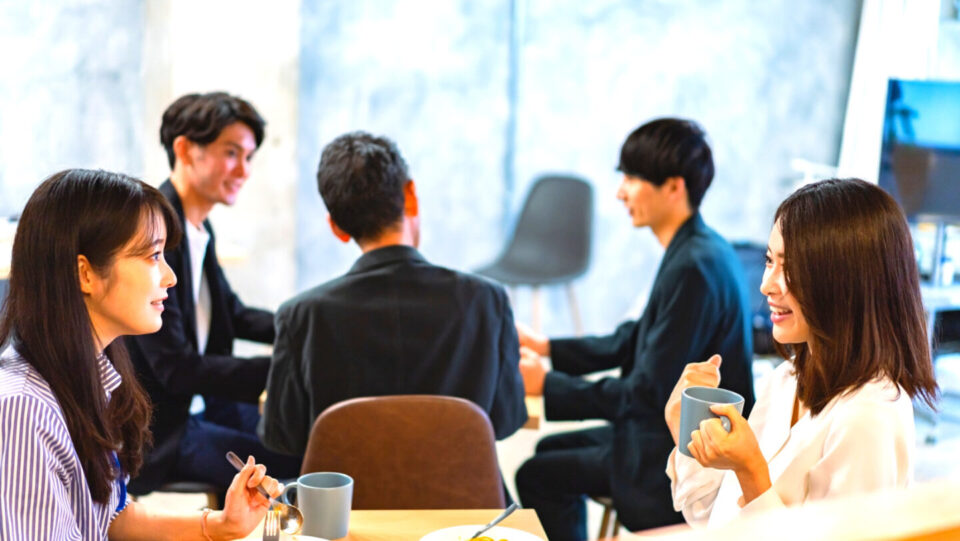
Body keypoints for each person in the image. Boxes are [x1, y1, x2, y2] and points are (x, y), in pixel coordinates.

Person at [0, 169, 281, 540]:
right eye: (153, 256)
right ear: (85, 274)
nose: (170, 277)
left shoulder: (89, 374)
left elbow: (110, 518)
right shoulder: (23, 409)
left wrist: (220, 524)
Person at [515, 118, 756, 539]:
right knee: (547, 450)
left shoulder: (694, 267)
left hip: (669, 457)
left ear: (673, 187)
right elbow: (634, 338)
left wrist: (548, 385)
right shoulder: (697, 247)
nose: (620, 192)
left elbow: (646, 395)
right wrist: (547, 347)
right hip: (655, 434)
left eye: (631, 178)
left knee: (536, 475)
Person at [665, 178, 939, 527]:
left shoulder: (869, 416)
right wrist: (687, 432)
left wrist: (751, 472)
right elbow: (715, 519)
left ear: (846, 282)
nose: (766, 285)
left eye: (791, 267)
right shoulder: (787, 379)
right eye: (769, 260)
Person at [259, 131, 527, 459]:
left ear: (336, 227)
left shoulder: (302, 315)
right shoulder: (487, 300)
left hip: (348, 493)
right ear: (410, 194)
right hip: (466, 491)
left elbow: (283, 437)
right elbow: (506, 420)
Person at [125, 92, 299, 497]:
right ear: (185, 149)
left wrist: (304, 327)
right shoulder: (157, 232)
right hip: (165, 429)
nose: (244, 170)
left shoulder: (198, 227)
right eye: (232, 153)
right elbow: (175, 368)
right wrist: (284, 369)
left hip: (201, 405)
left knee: (297, 439)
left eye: (248, 157)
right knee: (295, 463)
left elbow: (232, 314)